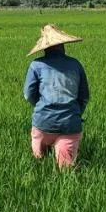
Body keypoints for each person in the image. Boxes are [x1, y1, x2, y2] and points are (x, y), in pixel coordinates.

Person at [23, 24, 90, 169]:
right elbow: (84, 96)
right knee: (66, 170)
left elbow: (28, 95)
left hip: (43, 122)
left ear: (45, 47)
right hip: (70, 124)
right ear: (62, 45)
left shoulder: (36, 65)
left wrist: (42, 107)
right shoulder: (75, 65)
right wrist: (75, 112)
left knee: (39, 164)